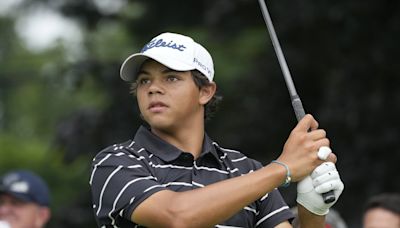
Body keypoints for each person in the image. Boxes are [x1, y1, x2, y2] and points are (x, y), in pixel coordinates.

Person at [90, 32, 344, 227]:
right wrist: (283, 169)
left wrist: (313, 210)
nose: (153, 88)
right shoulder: (116, 162)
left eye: (171, 78)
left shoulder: (246, 170)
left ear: (205, 92)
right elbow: (176, 216)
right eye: (145, 80)